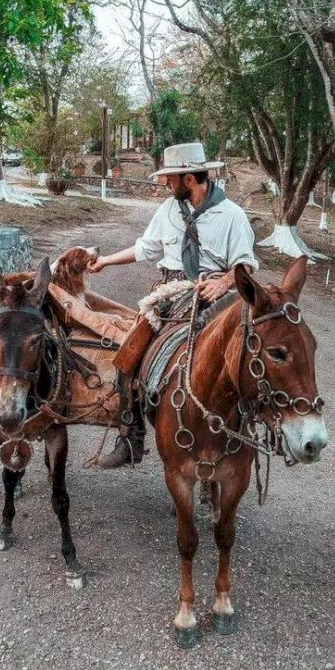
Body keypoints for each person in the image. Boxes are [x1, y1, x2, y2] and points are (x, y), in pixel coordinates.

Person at [89, 141, 258, 468]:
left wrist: (223, 282)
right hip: (171, 292)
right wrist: (106, 261)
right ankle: (131, 436)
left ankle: (248, 429)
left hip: (217, 293)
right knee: (128, 355)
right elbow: (144, 249)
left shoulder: (232, 215)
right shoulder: (168, 210)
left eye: (170, 178)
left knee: (247, 354)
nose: (165, 183)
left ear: (190, 179)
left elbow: (245, 265)